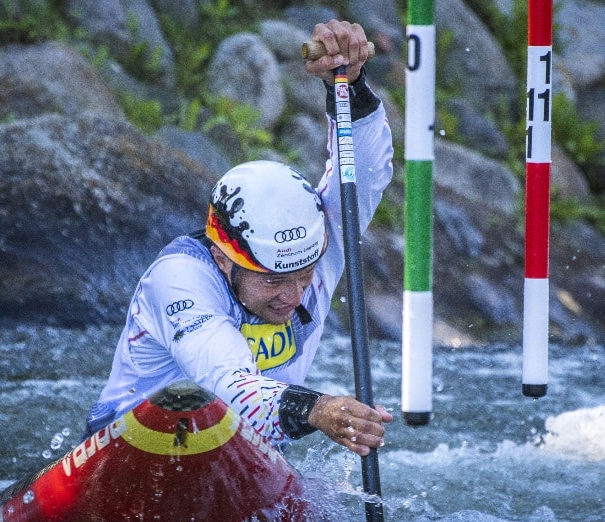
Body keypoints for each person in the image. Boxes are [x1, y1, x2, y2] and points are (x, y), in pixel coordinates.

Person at [84, 20, 393, 456]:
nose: (293, 296)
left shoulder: (317, 242)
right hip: (130, 449)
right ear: (223, 258)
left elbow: (365, 174)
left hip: (247, 452)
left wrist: (350, 84)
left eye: (304, 276)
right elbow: (227, 388)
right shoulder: (178, 279)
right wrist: (319, 409)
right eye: (272, 281)